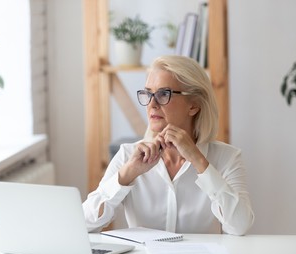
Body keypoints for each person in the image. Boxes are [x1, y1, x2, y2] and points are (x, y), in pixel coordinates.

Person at [83, 55, 254, 235]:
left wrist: (199, 161)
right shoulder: (128, 156)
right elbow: (86, 223)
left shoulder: (227, 158)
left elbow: (240, 226)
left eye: (164, 94)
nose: (152, 104)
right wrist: (127, 174)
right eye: (148, 93)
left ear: (194, 105)